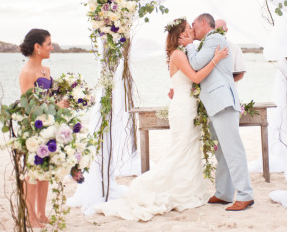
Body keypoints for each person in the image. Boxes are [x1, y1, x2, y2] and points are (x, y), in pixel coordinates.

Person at [94, 18, 229, 221]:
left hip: (188, 106)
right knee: (180, 149)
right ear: (180, 35)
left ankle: (188, 189)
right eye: (188, 29)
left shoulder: (184, 53)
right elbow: (196, 78)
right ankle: (150, 186)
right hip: (183, 109)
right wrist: (216, 59)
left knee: (189, 149)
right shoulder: (177, 54)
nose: (192, 30)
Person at [179, 13, 254, 211]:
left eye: (194, 24)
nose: (192, 28)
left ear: (204, 22)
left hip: (222, 102)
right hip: (215, 103)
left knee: (232, 149)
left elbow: (195, 65)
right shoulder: (208, 42)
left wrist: (188, 45)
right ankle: (224, 193)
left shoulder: (214, 39)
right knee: (221, 151)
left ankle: (245, 195)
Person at [18, 28, 69, 228]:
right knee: (33, 172)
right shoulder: (27, 72)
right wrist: (55, 107)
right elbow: (29, 105)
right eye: (48, 44)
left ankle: (41, 212)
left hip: (50, 124)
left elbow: (49, 97)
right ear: (37, 47)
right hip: (34, 125)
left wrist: (64, 100)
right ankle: (30, 215)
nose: (52, 47)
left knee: (45, 171)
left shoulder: (46, 70)